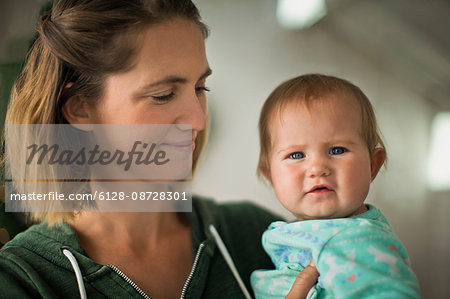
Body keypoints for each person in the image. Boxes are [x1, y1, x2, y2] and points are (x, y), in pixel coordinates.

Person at [0, 0, 319, 298]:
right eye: (164, 94)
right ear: (81, 108)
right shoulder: (22, 279)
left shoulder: (261, 237)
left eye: (200, 88)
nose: (198, 120)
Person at [250, 74, 421, 298]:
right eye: (297, 154)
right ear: (269, 175)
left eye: (337, 150)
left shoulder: (359, 241)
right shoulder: (293, 232)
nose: (317, 168)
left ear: (373, 164)